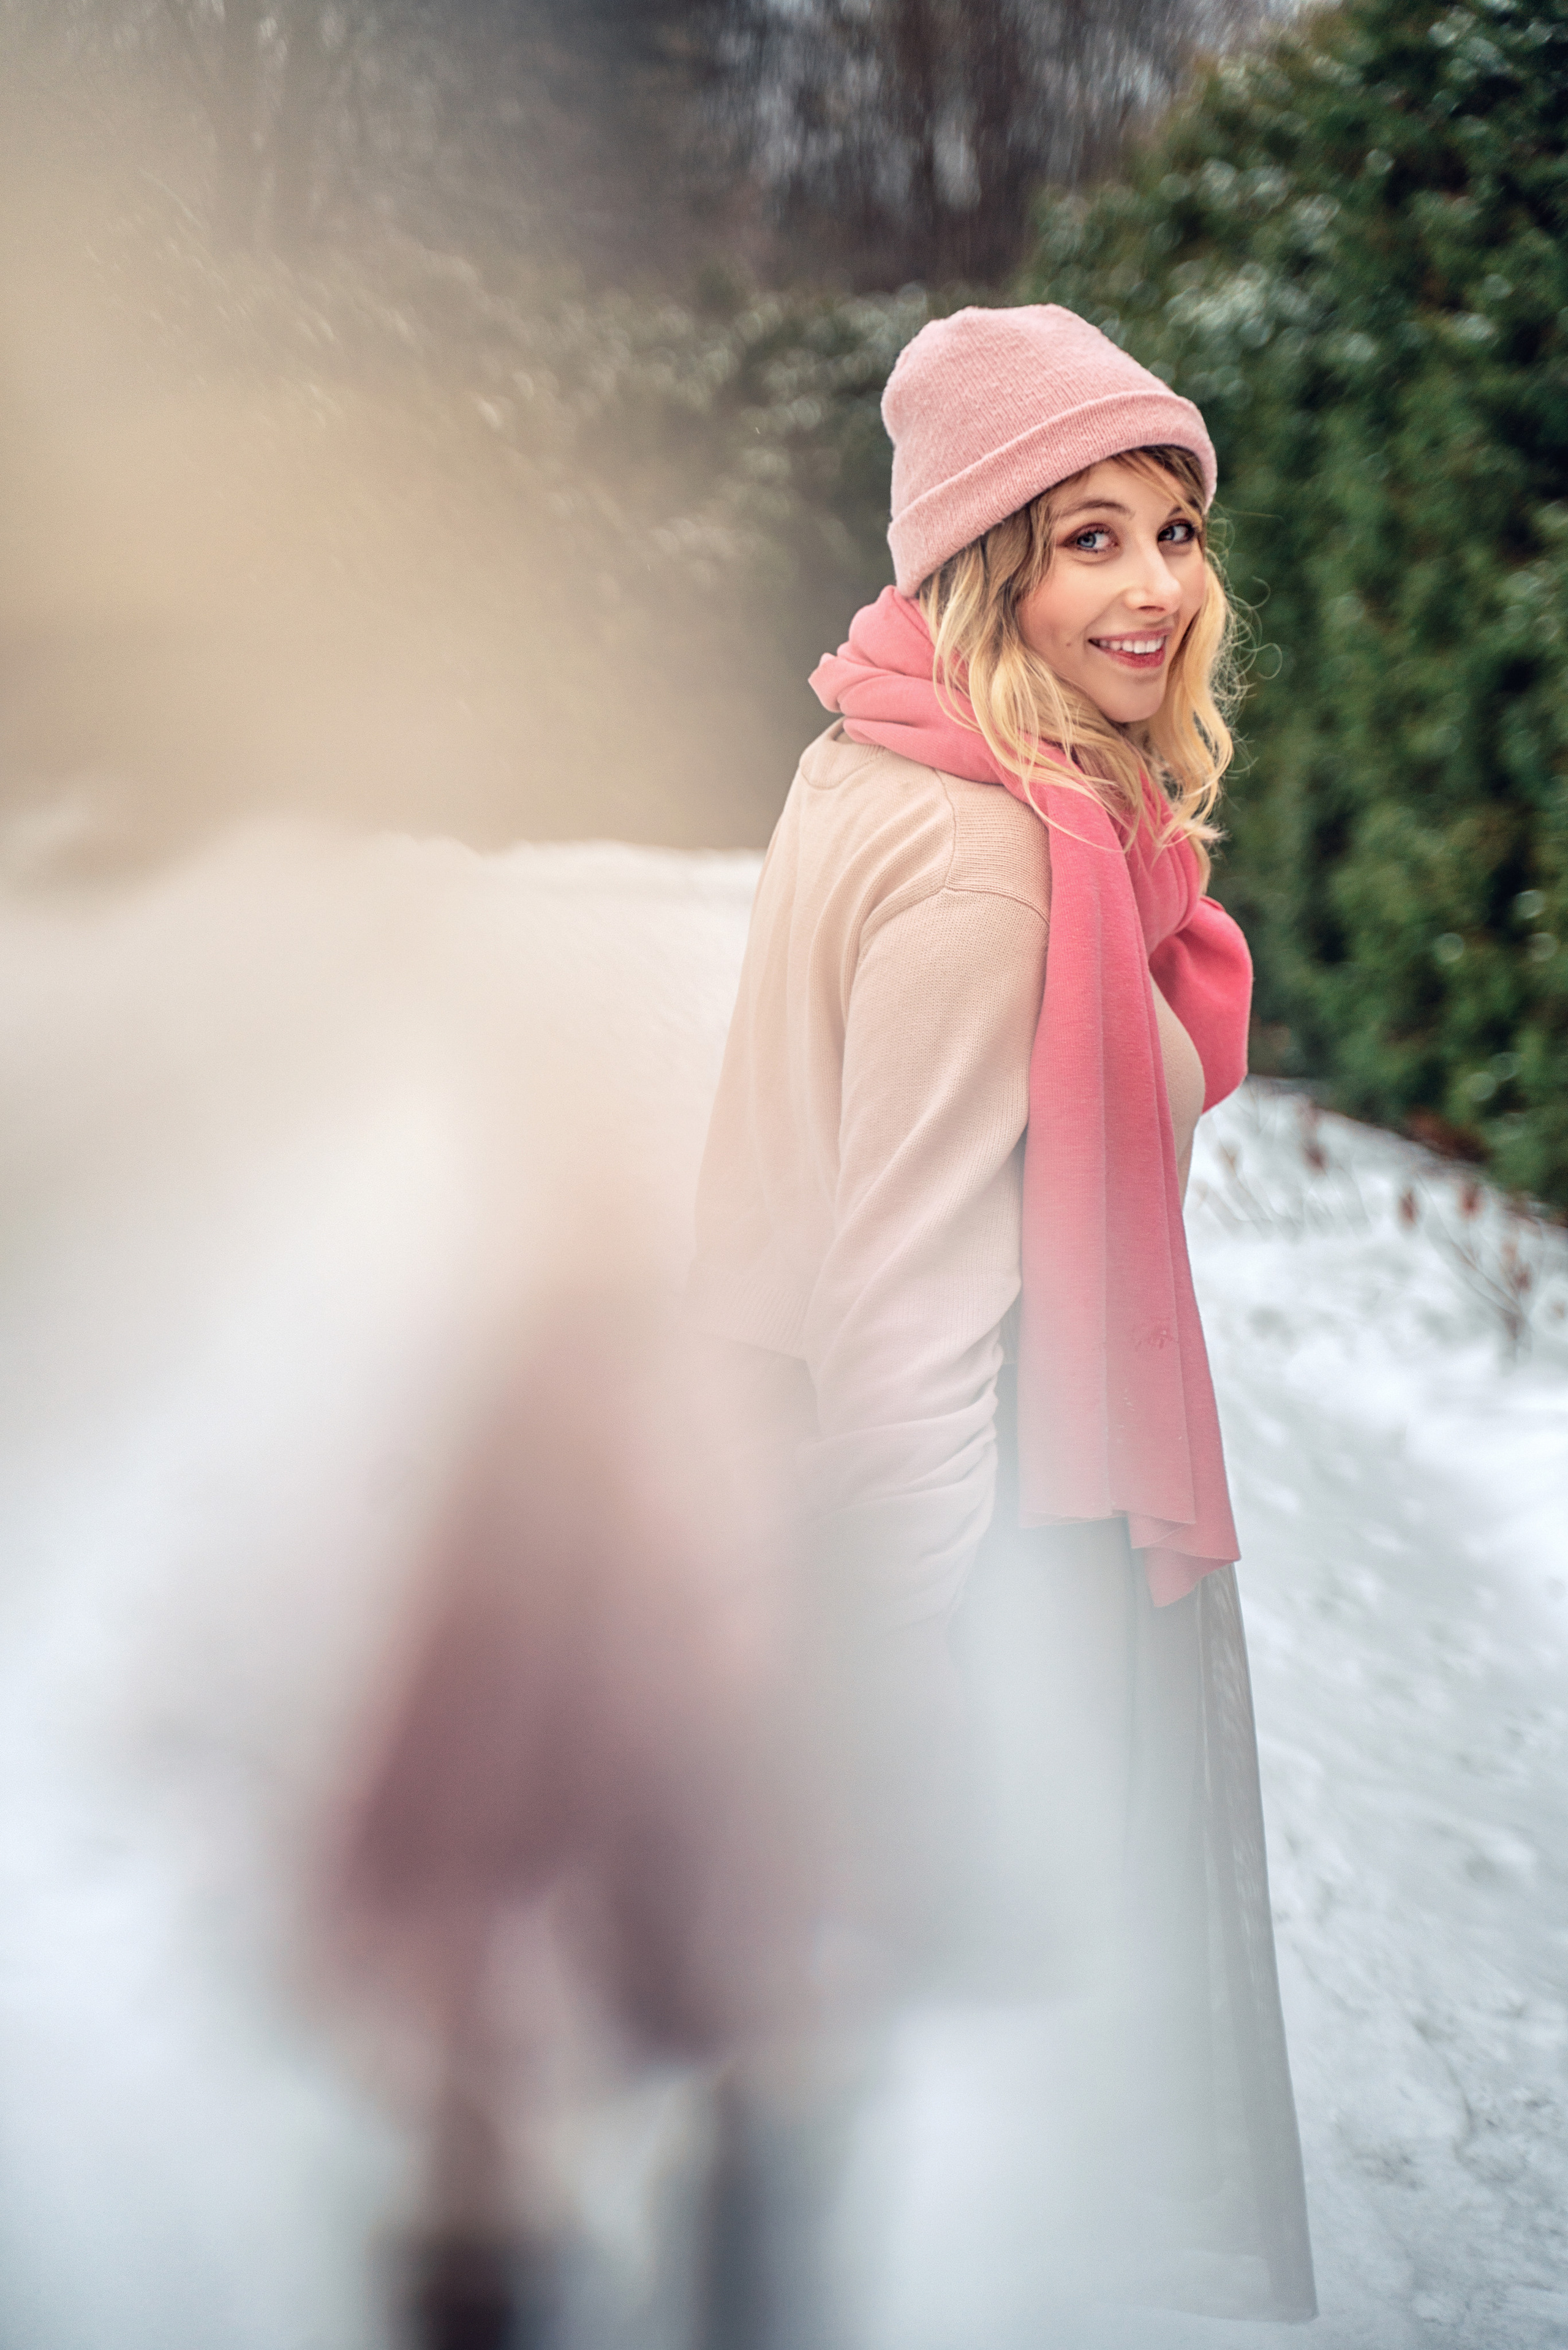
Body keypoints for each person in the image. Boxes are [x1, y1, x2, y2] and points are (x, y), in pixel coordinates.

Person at [688, 305, 1317, 2327]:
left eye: (1171, 529)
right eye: (1080, 542)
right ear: (980, 568)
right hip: (993, 1544)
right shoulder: (989, 863)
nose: (1151, 590)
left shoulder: (884, 751)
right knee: (1042, 2156)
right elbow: (908, 1307)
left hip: (906, 1505)